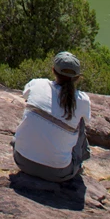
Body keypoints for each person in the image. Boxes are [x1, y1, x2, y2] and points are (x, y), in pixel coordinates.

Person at [11, 51, 92, 182]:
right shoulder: (83, 100)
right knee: (80, 123)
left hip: (23, 161)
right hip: (59, 173)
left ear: (53, 70)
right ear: (77, 77)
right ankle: (79, 163)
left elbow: (25, 96)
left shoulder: (37, 84)